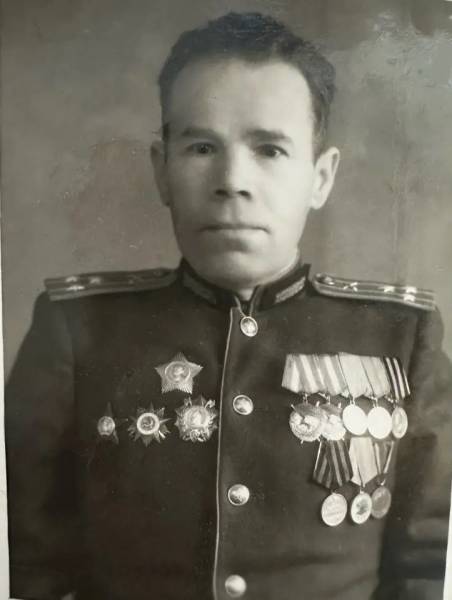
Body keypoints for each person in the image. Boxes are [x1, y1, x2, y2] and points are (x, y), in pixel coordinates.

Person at [5, 11, 452, 600]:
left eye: (269, 149)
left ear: (321, 178)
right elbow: (33, 569)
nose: (232, 180)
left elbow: (424, 571)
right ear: (162, 171)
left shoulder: (401, 337)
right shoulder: (75, 330)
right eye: (201, 147)